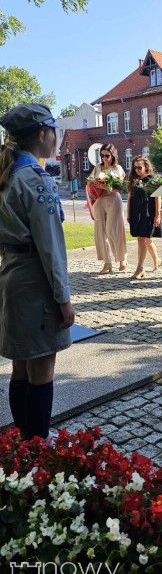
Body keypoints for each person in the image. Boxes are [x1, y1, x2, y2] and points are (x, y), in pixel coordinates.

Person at [0, 103, 75, 440]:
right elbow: (50, 247)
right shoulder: (36, 179)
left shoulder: (8, 172)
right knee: (41, 367)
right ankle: (37, 451)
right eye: (54, 131)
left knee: (21, 365)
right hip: (35, 280)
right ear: (43, 134)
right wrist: (63, 299)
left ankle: (21, 448)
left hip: (12, 275)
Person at [126, 156, 162, 279]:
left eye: (140, 167)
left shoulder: (152, 179)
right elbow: (129, 198)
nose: (137, 170)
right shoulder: (134, 180)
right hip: (135, 213)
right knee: (143, 240)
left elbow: (158, 197)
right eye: (135, 167)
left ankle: (139, 269)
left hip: (147, 213)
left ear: (146, 166)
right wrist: (128, 213)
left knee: (142, 240)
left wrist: (157, 215)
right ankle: (154, 262)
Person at [92, 143, 127, 274]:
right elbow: (91, 182)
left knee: (113, 230)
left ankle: (122, 258)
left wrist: (106, 187)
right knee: (100, 232)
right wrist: (93, 186)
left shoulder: (117, 168)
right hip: (99, 200)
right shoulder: (97, 168)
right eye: (102, 155)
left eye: (107, 155)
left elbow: (120, 187)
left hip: (113, 200)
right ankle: (107, 262)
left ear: (113, 155)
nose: (104, 158)